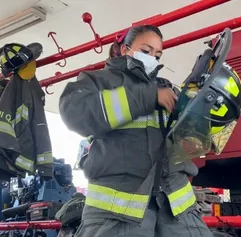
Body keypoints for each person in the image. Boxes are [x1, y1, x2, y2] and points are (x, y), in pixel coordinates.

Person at [59, 25, 213, 237]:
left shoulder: (166, 87)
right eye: (146, 50)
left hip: (176, 209)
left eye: (158, 54)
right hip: (116, 214)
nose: (152, 58)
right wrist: (149, 96)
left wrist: (202, 109)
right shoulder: (99, 81)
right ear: (125, 49)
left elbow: (187, 138)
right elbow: (74, 112)